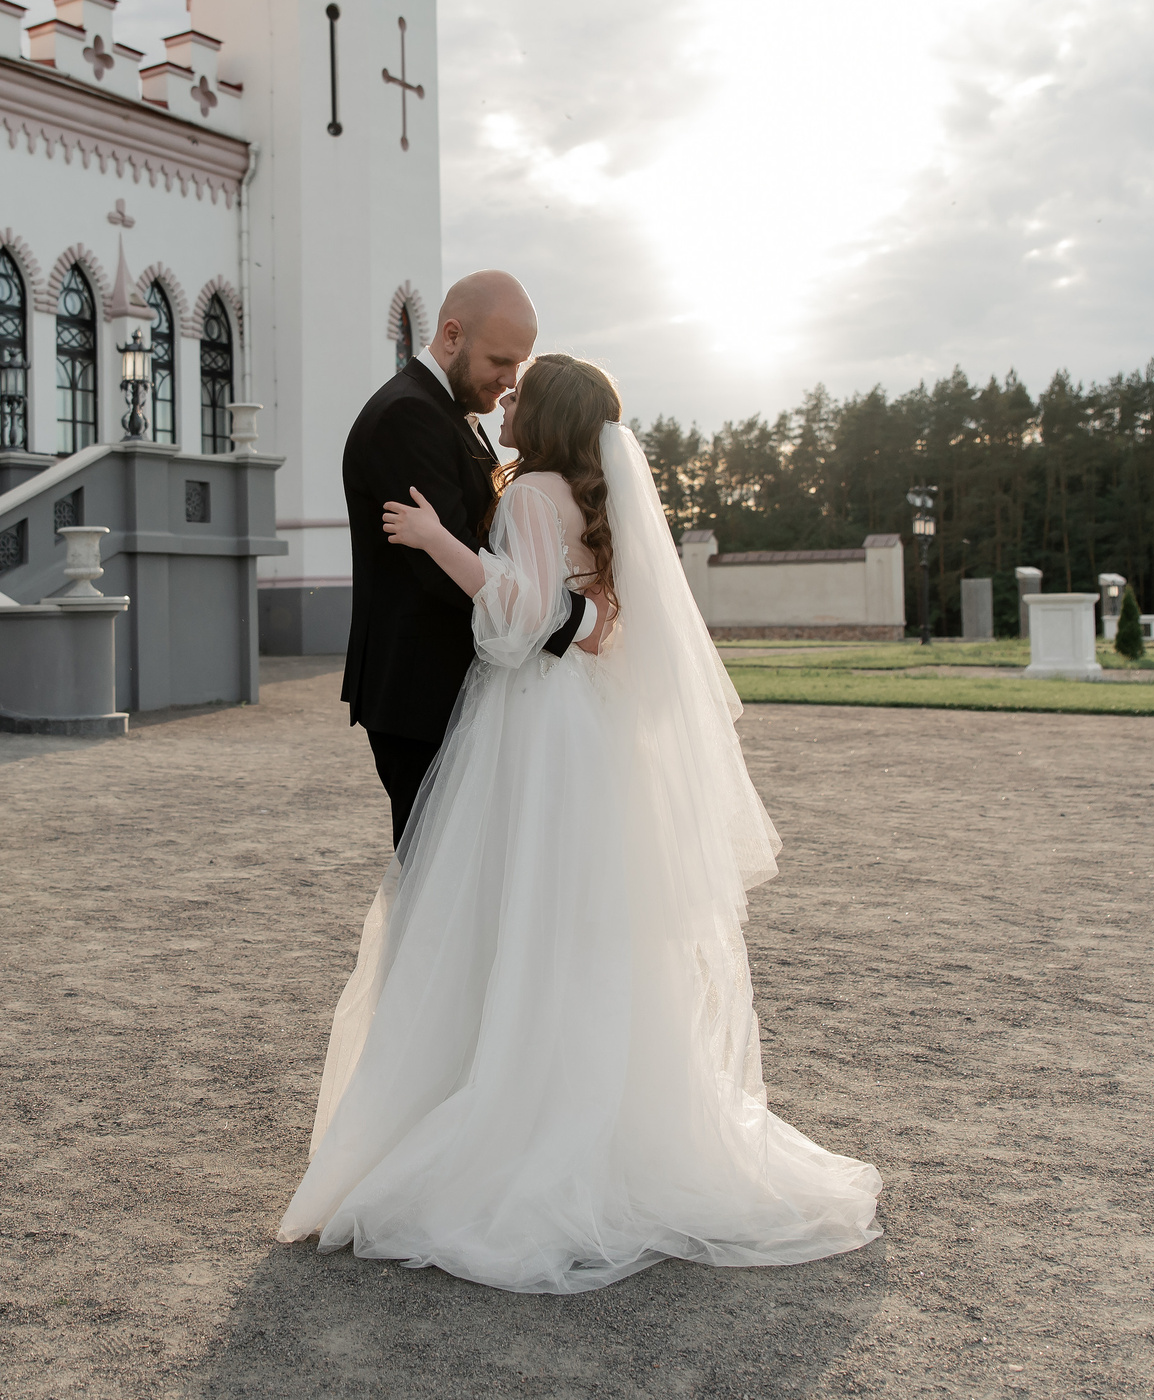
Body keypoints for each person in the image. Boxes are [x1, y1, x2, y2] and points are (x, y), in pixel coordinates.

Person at [281, 352, 882, 1294]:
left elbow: (518, 624)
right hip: (591, 735)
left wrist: (440, 539)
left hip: (531, 729)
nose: (508, 395)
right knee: (588, 924)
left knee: (512, 907)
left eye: (524, 389)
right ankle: (607, 1113)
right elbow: (600, 625)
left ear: (549, 413)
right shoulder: (597, 502)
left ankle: (517, 1109)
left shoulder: (529, 497)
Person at [340, 272, 592, 848]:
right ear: (452, 335)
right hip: (425, 693)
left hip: (453, 686)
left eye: (519, 366)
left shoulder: (447, 413)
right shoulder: (409, 416)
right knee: (438, 882)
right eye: (501, 361)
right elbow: (442, 572)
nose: (509, 383)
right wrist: (568, 620)